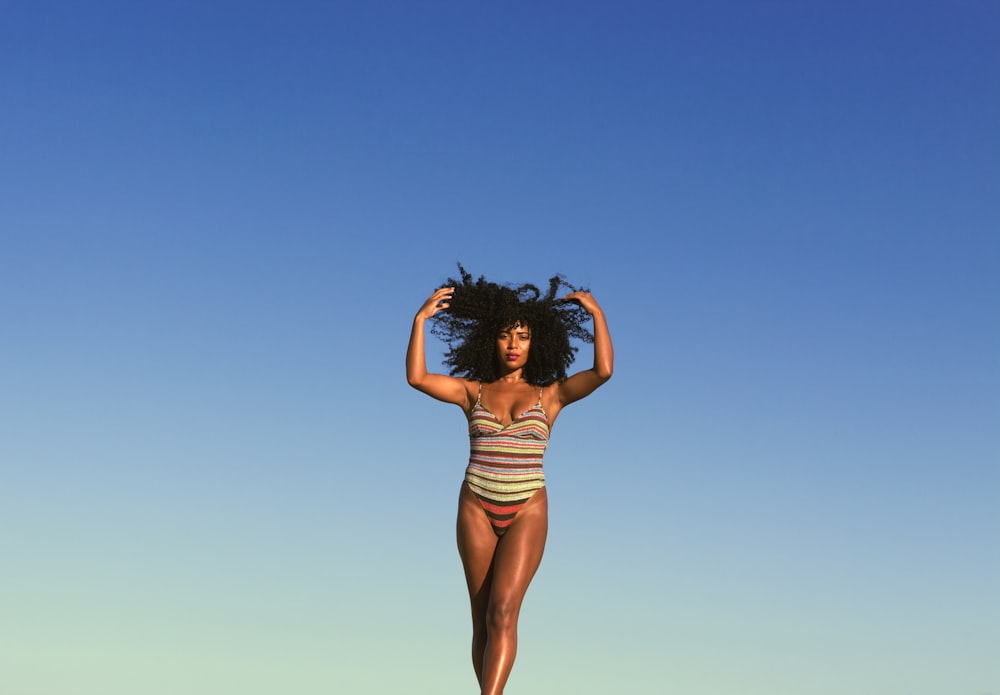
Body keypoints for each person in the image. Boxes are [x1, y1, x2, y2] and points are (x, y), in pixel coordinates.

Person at [406, 265, 614, 694]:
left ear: (536, 341)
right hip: (476, 505)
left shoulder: (550, 394)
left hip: (527, 507)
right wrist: (420, 321)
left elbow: (602, 373)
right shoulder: (472, 391)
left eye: (522, 335)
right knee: (481, 618)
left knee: (503, 612)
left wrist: (597, 314)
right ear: (491, 340)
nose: (514, 344)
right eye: (505, 335)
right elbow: (418, 378)